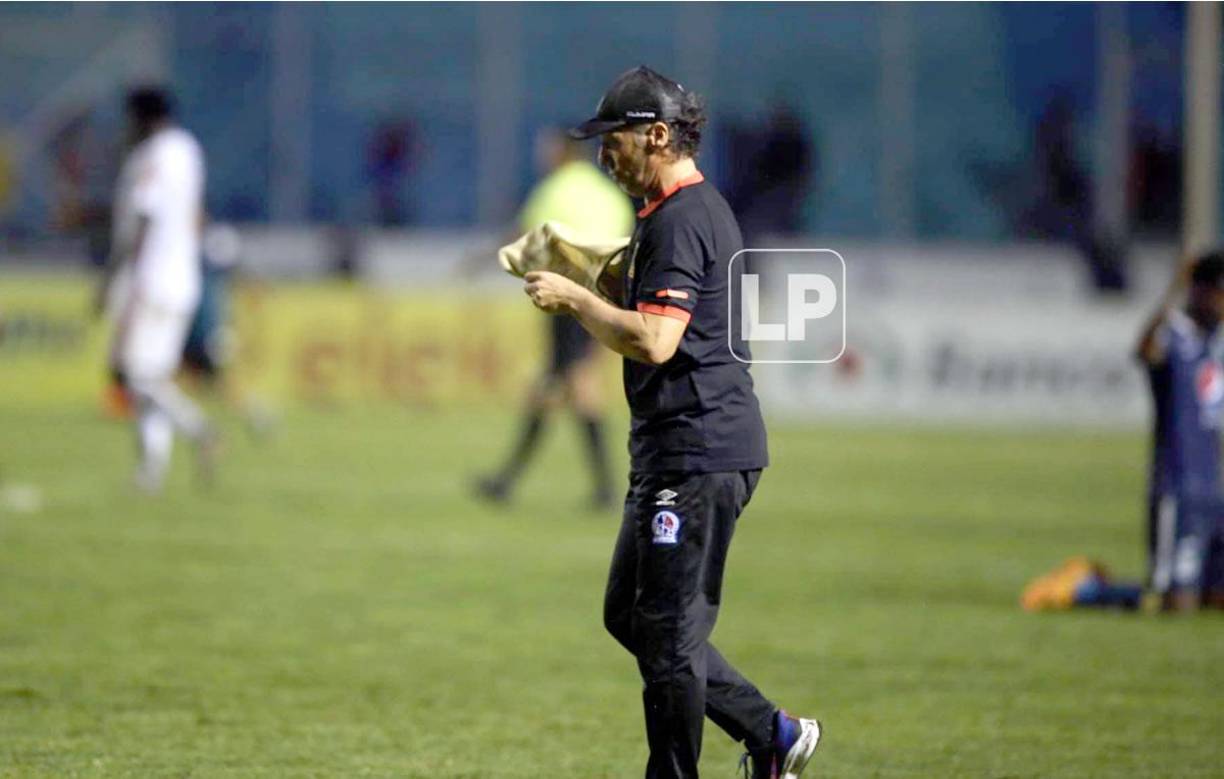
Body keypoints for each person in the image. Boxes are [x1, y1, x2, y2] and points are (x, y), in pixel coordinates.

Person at [522, 66, 821, 778]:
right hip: (673, 448)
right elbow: (650, 313)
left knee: (670, 634)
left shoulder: (685, 216)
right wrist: (591, 275)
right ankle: (771, 731)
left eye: (614, 140)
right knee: (631, 614)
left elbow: (656, 339)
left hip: (698, 448)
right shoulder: (670, 213)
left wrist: (574, 299)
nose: (604, 156)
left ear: (658, 136)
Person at [476, 128, 634, 509]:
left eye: (546, 148)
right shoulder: (609, 194)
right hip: (607, 296)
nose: (542, 155)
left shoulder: (554, 189)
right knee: (570, 383)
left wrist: (481, 260)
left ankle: (515, 481)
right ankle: (594, 488)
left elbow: (528, 237)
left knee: (567, 382)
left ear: (562, 153)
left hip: (568, 297)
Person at [97, 87, 215, 492]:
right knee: (154, 376)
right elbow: (197, 212)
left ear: (141, 117)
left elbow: (144, 217)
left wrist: (114, 276)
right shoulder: (188, 150)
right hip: (185, 276)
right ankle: (151, 473)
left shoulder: (151, 155)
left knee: (133, 375)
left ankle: (199, 428)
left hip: (151, 276)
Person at [1134, 251, 1224, 611]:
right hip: (1178, 486)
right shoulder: (1173, 337)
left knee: (1215, 599)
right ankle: (1093, 594)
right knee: (1174, 600)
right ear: (1199, 292)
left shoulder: (1217, 345)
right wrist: (1174, 288)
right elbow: (1145, 350)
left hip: (1214, 492)